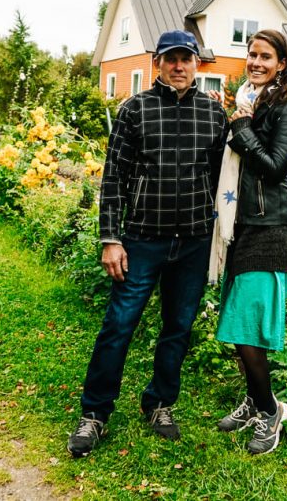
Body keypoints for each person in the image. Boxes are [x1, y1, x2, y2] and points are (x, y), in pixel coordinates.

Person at [67, 29, 228, 458]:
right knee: (119, 325)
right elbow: (113, 177)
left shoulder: (214, 115)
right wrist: (110, 239)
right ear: (158, 61)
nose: (179, 66)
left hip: (192, 242)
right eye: (171, 58)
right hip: (141, 240)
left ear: (197, 64)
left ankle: (159, 403)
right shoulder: (134, 110)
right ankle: (95, 414)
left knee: (177, 328)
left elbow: (217, 179)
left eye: (187, 59)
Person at [209, 29, 287, 455]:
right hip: (243, 225)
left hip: (272, 228)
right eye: (252, 55)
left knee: (249, 330)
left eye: (266, 56)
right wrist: (224, 121)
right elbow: (231, 160)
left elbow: (273, 168)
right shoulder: (247, 100)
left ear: (281, 63)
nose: (257, 62)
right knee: (237, 326)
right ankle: (253, 399)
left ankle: (270, 411)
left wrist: (242, 125)